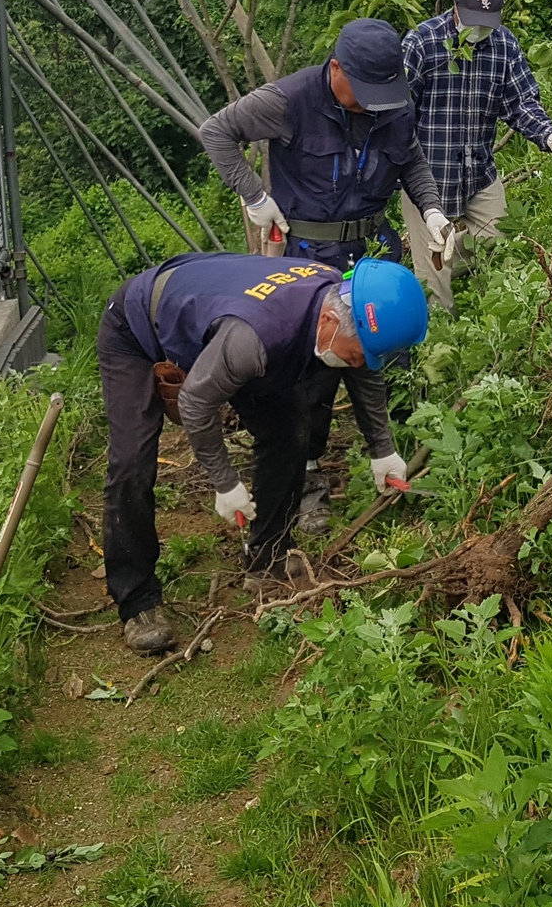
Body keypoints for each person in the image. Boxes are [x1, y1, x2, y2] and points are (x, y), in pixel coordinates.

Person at [97, 252, 429, 654]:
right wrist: (226, 483)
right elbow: (197, 403)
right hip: (138, 323)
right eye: (356, 352)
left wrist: (383, 450)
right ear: (328, 322)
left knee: (290, 428)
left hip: (219, 314)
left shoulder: (339, 300)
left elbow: (363, 370)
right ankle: (137, 601)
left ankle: (267, 556)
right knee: (132, 462)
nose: (358, 363)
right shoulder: (251, 340)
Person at [197, 17, 453, 530]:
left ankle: (391, 457)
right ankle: (307, 478)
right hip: (309, 258)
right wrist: (254, 194)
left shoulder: (392, 102)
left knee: (384, 352)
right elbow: (216, 131)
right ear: (336, 68)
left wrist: (431, 211)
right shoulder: (288, 100)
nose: (371, 103)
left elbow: (412, 163)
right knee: (309, 375)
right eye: (362, 91)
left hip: (373, 252)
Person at [400, 0, 552, 309]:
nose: (479, 29)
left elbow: (521, 103)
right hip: (427, 177)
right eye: (472, 20)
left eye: (486, 22)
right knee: (435, 289)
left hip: (479, 172)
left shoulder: (504, 44)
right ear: (454, 7)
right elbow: (398, 113)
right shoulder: (422, 42)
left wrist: (551, 135)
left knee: (499, 244)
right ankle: (435, 340)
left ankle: (426, 275)